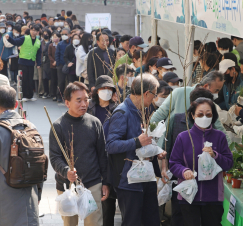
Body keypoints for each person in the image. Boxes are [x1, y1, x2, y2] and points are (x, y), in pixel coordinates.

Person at [106, 74, 165, 226]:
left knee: (152, 220)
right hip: (129, 180)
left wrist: (155, 150)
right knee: (132, 222)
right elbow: (111, 145)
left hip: (146, 177)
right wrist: (137, 142)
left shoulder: (141, 110)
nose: (154, 98)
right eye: (154, 94)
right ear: (146, 93)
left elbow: (143, 142)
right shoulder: (122, 112)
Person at [49, 81, 109, 226]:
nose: (84, 104)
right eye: (79, 100)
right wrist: (66, 171)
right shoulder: (58, 126)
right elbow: (55, 157)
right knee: (70, 223)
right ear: (67, 103)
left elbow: (102, 155)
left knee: (94, 222)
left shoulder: (94, 123)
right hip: (67, 186)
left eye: (86, 99)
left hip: (92, 183)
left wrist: (106, 182)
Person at [169, 97, 233, 226]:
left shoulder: (219, 137)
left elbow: (228, 163)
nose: (204, 117)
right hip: (188, 196)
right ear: (192, 115)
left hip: (213, 197)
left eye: (208, 114)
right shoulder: (183, 137)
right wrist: (184, 171)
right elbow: (174, 162)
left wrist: (215, 155)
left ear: (213, 115)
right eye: (200, 114)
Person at [150, 71, 231, 165]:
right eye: (216, 90)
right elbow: (159, 116)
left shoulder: (210, 104)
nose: (217, 94)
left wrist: (231, 149)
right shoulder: (179, 93)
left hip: (195, 151)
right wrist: (149, 137)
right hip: (173, 147)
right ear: (206, 86)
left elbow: (219, 127)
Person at [0, 85, 42, 226]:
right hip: (29, 203)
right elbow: (39, 163)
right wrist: (38, 194)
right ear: (16, 104)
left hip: (5, 205)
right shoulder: (31, 127)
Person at [5, 24, 42, 102]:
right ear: (30, 30)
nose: (33, 31)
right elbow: (15, 42)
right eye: (32, 30)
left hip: (31, 62)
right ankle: (24, 95)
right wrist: (9, 39)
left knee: (30, 79)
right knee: (24, 79)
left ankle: (30, 95)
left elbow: (39, 54)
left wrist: (38, 63)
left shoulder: (38, 41)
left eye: (35, 30)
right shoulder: (24, 38)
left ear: (38, 32)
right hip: (23, 61)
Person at [55, 28, 71, 103]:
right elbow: (57, 54)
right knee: (61, 82)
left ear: (70, 35)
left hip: (70, 65)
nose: (64, 36)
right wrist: (58, 64)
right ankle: (59, 96)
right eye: (62, 34)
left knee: (70, 82)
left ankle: (68, 97)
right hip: (61, 65)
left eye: (66, 34)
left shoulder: (72, 43)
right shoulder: (60, 44)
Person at [48, 32, 61, 101]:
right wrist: (53, 61)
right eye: (54, 37)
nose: (54, 38)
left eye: (56, 37)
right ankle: (53, 94)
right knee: (53, 80)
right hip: (52, 65)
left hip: (59, 64)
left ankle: (59, 94)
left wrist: (57, 61)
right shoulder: (50, 45)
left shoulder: (61, 44)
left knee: (60, 80)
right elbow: (49, 55)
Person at [41, 29, 52, 98]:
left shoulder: (52, 42)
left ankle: (51, 92)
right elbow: (44, 52)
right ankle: (46, 91)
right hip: (46, 63)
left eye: (47, 34)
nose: (46, 35)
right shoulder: (46, 44)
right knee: (45, 78)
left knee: (52, 79)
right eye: (44, 33)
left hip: (53, 63)